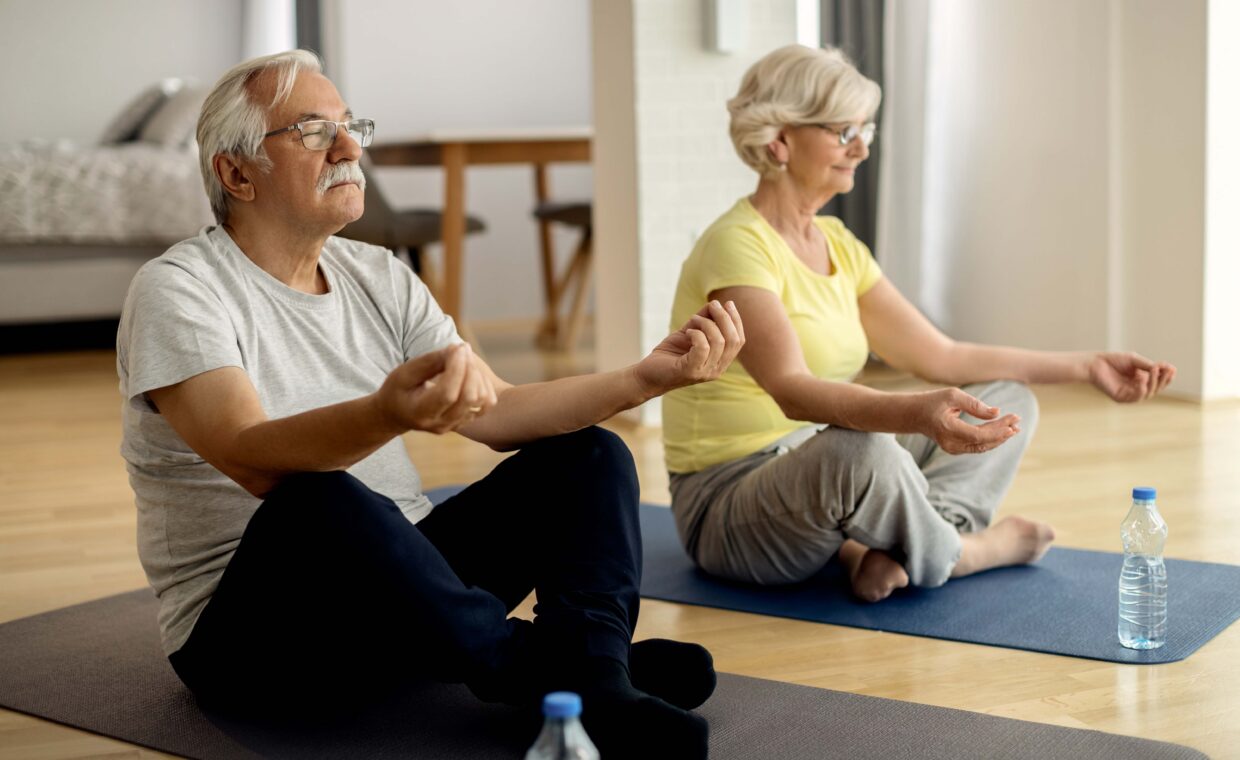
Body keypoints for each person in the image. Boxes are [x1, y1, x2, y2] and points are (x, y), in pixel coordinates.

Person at [116, 50, 743, 758]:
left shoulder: (378, 275)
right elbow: (249, 457)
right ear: (237, 174)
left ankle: (595, 677)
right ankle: (550, 671)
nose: (350, 149)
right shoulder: (180, 289)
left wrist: (645, 380)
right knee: (316, 500)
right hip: (255, 643)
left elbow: (498, 411)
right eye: (315, 132)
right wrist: (387, 414)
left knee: (590, 455)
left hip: (411, 599)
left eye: (351, 127)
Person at [663, 44, 1175, 604]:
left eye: (865, 130)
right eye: (843, 131)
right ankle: (962, 553)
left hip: (814, 479)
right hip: (728, 504)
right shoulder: (736, 246)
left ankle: (896, 550)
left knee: (1006, 400)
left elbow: (942, 357)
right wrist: (914, 414)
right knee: (859, 452)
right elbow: (793, 391)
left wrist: (1087, 365)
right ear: (780, 140)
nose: (861, 148)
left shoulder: (837, 243)